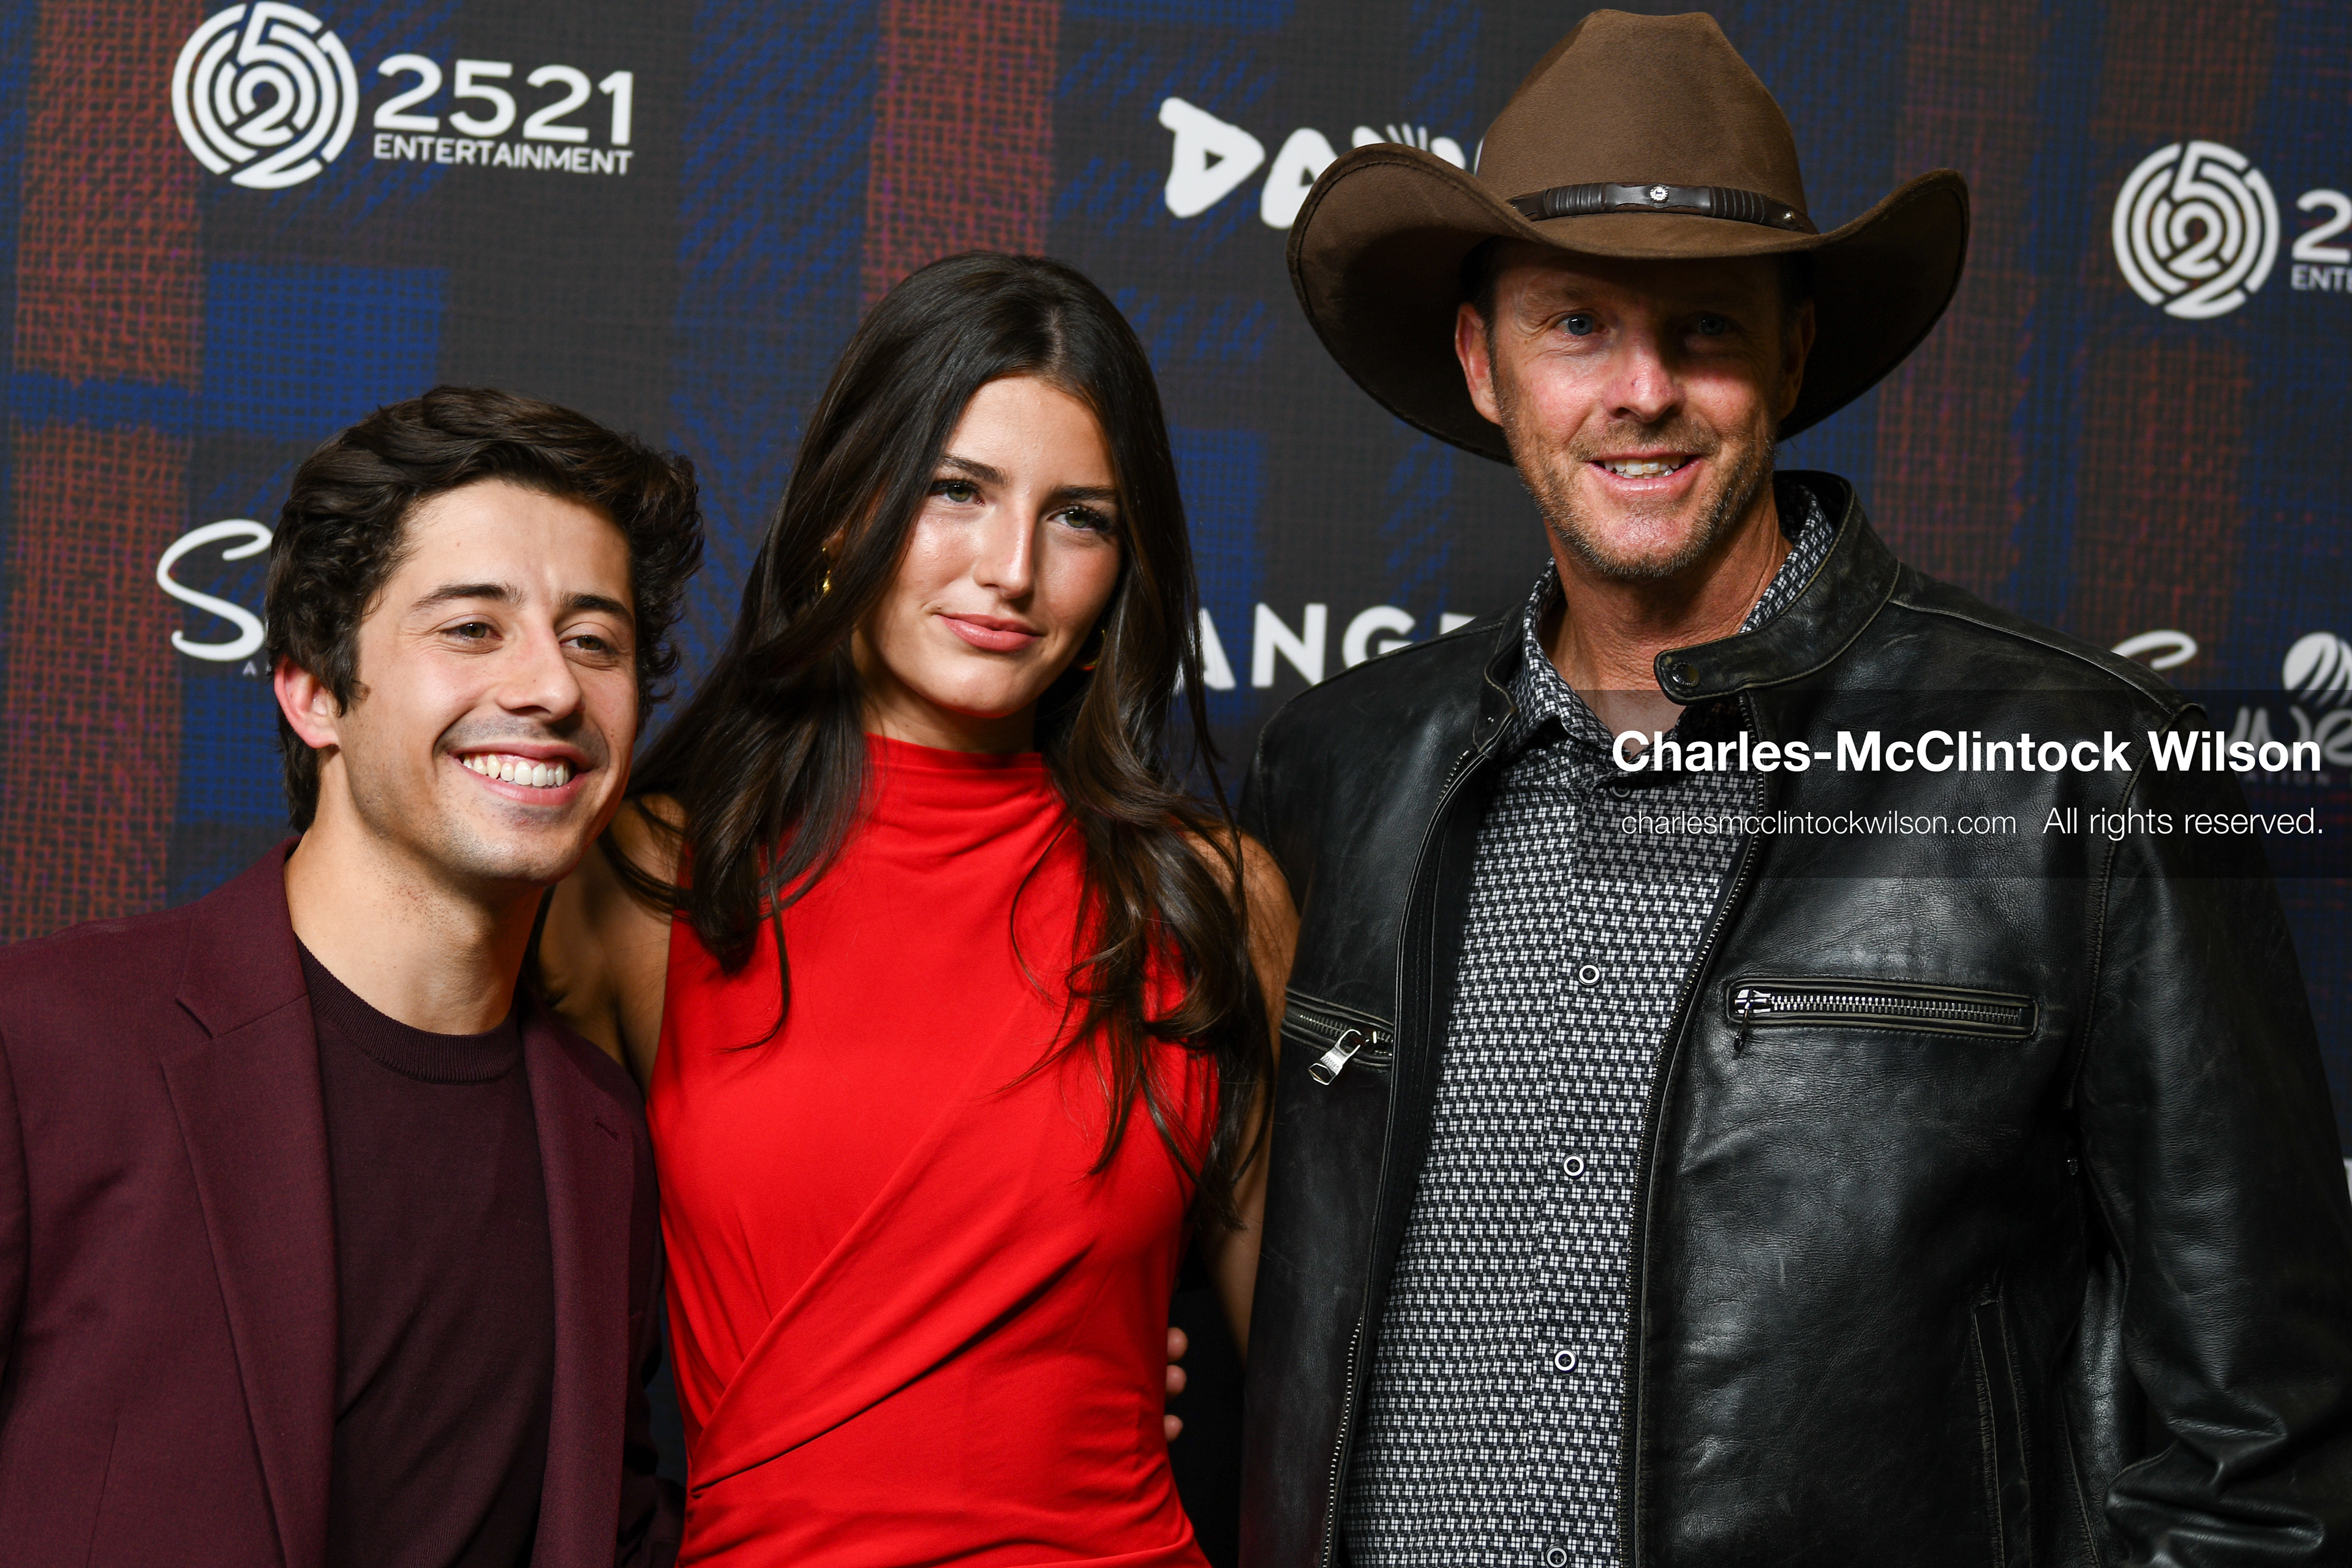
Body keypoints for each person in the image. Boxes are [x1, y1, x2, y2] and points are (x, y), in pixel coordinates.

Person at [1238, 11, 2352, 1567]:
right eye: (1577, 324)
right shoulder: (1339, 766)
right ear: (1484, 364)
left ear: (1793, 353)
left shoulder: (2081, 766)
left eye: (1703, 327)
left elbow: (2268, 1444)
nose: (1642, 389)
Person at [538, 251, 1294, 1567]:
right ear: (845, 509)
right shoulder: (651, 878)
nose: (1011, 568)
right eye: (956, 491)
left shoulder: (1210, 896)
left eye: (1079, 518)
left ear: (1124, 567)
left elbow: (1319, 1392)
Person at [0, 387, 703, 1567]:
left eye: (595, 639)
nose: (552, 688)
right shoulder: (43, 1045)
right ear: (313, 691)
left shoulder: (605, 1139)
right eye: (472, 629)